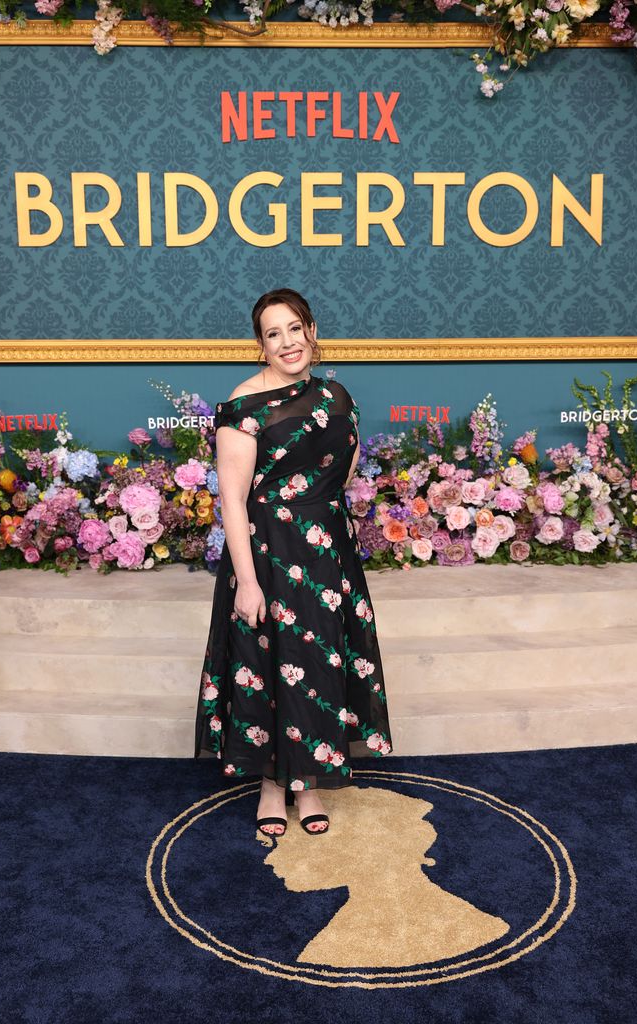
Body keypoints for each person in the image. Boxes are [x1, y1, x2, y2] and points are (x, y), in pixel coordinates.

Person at [194, 288, 393, 837]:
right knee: (268, 668)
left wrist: (320, 524)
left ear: (311, 330)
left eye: (294, 328)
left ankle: (308, 786)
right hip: (267, 555)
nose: (287, 342)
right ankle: (270, 786)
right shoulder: (243, 406)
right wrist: (249, 584)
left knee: (319, 666)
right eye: (272, 333)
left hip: (327, 555)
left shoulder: (337, 396)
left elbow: (344, 474)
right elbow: (232, 499)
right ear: (260, 345)